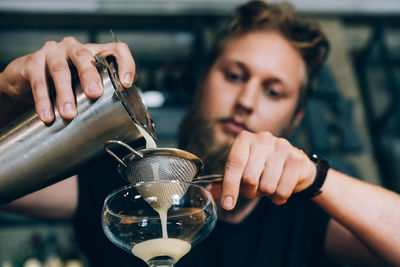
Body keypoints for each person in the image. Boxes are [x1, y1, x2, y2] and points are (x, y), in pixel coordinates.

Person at [1, 1, 400, 266]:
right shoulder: (115, 182)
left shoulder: (307, 217)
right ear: (202, 80)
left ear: (295, 120)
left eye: (273, 91)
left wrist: (314, 176)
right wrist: (5, 95)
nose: (246, 100)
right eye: (234, 75)